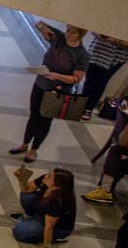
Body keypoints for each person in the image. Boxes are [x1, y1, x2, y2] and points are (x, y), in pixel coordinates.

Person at [10, 23, 89, 163]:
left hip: (57, 91)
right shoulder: (59, 38)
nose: (68, 34)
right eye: (68, 30)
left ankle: (34, 149)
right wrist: (43, 28)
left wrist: (57, 76)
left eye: (73, 32)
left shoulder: (82, 54)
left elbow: (76, 78)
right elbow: (40, 26)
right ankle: (24, 143)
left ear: (80, 35)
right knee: (34, 114)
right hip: (41, 83)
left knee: (45, 119)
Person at [11, 167, 76, 248]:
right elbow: (26, 189)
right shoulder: (45, 180)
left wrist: (46, 247)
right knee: (26, 195)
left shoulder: (56, 201)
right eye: (49, 173)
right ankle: (32, 220)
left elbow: (49, 227)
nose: (46, 176)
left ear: (57, 186)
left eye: (49, 177)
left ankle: (53, 238)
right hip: (42, 213)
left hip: (57, 227)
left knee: (19, 231)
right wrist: (22, 179)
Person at [82, 33, 128, 118]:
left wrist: (114, 40)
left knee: (100, 83)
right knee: (89, 81)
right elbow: (94, 29)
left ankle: (88, 109)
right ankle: (80, 106)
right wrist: (101, 34)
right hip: (96, 52)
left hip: (115, 58)